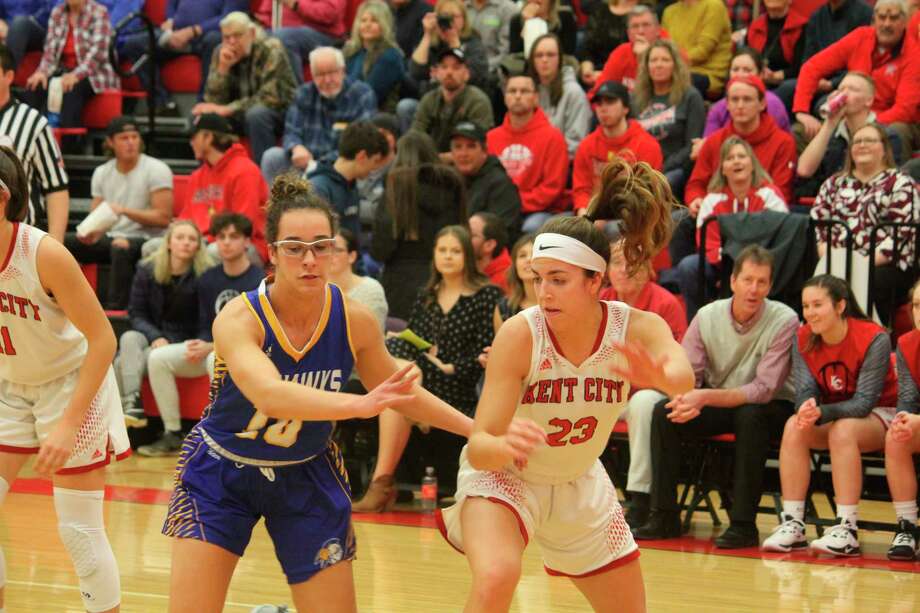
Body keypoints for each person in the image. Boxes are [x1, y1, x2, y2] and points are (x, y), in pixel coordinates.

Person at [162, 173, 474, 612]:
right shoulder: (239, 318)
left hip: (305, 472)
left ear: (337, 250)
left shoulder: (356, 319)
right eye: (294, 247)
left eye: (320, 246)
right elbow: (270, 395)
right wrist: (359, 404)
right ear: (272, 253)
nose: (309, 259)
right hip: (221, 472)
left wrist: (477, 430)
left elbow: (400, 392)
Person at [438, 158, 693, 612]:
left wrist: (658, 378)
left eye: (559, 280)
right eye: (538, 279)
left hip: (578, 480)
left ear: (596, 281)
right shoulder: (520, 334)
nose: (544, 292)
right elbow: (479, 445)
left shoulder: (634, 326)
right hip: (504, 478)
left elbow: (682, 375)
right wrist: (505, 446)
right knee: (498, 575)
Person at [0, 143, 128, 613]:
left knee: (78, 531)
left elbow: (103, 339)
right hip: (10, 385)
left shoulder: (44, 255)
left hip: (73, 383)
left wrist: (70, 423)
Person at [635, 246, 798, 549]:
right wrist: (684, 398)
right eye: (748, 280)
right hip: (720, 401)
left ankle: (743, 524)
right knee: (664, 412)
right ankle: (664, 515)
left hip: (770, 407)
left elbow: (763, 390)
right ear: (733, 281)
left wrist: (703, 396)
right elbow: (689, 375)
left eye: (762, 282)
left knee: (751, 415)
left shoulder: (784, 320)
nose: (754, 289)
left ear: (771, 286)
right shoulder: (707, 316)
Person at [353, 225, 503, 512]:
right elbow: (414, 341)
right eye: (442, 250)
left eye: (455, 251)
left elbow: (484, 353)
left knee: (399, 381)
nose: (447, 256)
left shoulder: (487, 295)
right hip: (421, 374)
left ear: (467, 256)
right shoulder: (426, 295)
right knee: (399, 362)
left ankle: (382, 484)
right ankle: (385, 474)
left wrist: (448, 367)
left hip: (457, 381)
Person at [761, 275, 897, 557]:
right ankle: (793, 524)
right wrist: (806, 408)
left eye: (818, 305)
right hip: (835, 415)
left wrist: (822, 412)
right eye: (806, 306)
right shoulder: (804, 337)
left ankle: (847, 529)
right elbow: (805, 389)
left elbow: (863, 403)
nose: (810, 312)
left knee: (843, 430)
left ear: (840, 306)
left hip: (882, 413)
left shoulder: (874, 337)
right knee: (794, 426)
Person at [602, 238, 687, 527]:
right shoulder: (599, 302)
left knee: (642, 403)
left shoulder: (666, 304)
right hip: (609, 391)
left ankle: (639, 498)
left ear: (648, 268)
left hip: (652, 392)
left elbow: (674, 367)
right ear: (607, 269)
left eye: (633, 263)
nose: (625, 269)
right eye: (617, 263)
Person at [810, 122, 919, 325]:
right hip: (835, 258)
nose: (862, 145)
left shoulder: (901, 183)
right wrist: (832, 257)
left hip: (885, 263)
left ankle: (874, 339)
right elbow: (820, 226)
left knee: (871, 279)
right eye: (857, 141)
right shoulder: (833, 184)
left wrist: (861, 263)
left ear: (885, 150)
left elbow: (903, 233)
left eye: (869, 140)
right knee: (817, 276)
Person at [64, 117, 174, 310]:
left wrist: (124, 211)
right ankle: (64, 303)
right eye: (124, 138)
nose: (131, 142)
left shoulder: (157, 169)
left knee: (120, 247)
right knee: (63, 242)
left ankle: (116, 312)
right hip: (112, 236)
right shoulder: (101, 172)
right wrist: (91, 231)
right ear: (110, 142)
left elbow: (163, 218)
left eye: (134, 137)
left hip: (147, 238)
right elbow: (95, 216)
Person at [115, 220, 213, 434]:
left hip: (184, 339)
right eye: (180, 238)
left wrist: (203, 342)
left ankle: (132, 419)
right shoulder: (147, 269)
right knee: (129, 338)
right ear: (169, 243)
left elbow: (208, 318)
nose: (186, 243)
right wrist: (155, 336)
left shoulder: (205, 275)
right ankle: (133, 403)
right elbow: (136, 312)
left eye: (191, 239)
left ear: (198, 246)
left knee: (121, 362)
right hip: (153, 333)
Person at [678, 136, 788, 321]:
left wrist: (750, 266)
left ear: (752, 164)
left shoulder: (770, 195)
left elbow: (782, 237)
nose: (736, 161)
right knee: (688, 266)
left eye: (741, 156)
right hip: (722, 265)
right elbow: (708, 244)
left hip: (764, 264)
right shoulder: (712, 200)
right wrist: (733, 263)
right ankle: (699, 324)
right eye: (729, 158)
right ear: (722, 169)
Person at [793, 0, 920, 154]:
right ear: (873, 20)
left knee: (896, 131)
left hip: (890, 121)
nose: (887, 24)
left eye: (893, 18)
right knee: (799, 131)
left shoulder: (914, 54)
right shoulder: (860, 37)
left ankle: (891, 178)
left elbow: (904, 110)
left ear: (905, 22)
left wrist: (865, 125)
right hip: (851, 113)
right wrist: (801, 110)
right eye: (882, 17)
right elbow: (811, 68)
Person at [371, 131, 467, 321]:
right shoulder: (454, 185)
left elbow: (381, 249)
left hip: (400, 285)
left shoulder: (395, 188)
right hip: (447, 281)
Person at [260, 46, 377, 184]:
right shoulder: (303, 93)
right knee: (272, 156)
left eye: (332, 72)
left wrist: (319, 165)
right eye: (320, 75)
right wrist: (297, 148)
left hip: (339, 168)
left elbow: (361, 143)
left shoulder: (362, 95)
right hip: (304, 164)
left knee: (322, 181)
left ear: (343, 71)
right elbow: (291, 131)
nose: (327, 80)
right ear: (312, 75)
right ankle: (275, 205)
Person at [194, 12, 297, 164]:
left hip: (278, 112)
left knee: (256, 115)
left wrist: (228, 109)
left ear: (252, 33)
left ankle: (262, 178)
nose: (232, 42)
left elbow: (271, 97)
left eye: (237, 36)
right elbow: (213, 101)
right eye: (227, 37)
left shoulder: (271, 49)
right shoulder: (220, 52)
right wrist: (223, 70)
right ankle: (210, 176)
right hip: (240, 112)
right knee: (204, 118)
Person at [685, 76, 796, 206]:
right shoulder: (714, 141)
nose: (740, 105)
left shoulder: (783, 142)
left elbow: (782, 193)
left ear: (762, 104)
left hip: (765, 215)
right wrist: (696, 199)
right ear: (727, 104)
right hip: (717, 214)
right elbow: (696, 184)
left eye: (747, 99)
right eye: (734, 99)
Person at [22, 0, 119, 141]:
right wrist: (41, 72)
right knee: (35, 85)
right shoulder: (57, 13)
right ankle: (32, 138)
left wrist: (76, 75)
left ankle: (71, 143)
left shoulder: (99, 12)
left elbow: (98, 54)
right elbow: (50, 52)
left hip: (95, 73)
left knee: (70, 88)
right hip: (64, 71)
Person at [118, 0, 240, 112]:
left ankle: (204, 106)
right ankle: (162, 103)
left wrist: (194, 31)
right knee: (134, 44)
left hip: (207, 35)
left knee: (215, 41)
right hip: (175, 33)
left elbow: (230, 18)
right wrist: (171, 20)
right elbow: (172, 4)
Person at [178, 113, 269, 263]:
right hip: (202, 242)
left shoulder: (245, 171)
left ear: (208, 137)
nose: (191, 142)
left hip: (245, 246)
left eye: (194, 137)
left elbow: (243, 226)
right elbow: (185, 220)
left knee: (212, 251)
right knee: (154, 247)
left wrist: (204, 242)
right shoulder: (196, 176)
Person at [0, 43, 67, 242]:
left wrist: (56, 244)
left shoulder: (34, 123)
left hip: (20, 241)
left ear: (9, 77)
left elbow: (56, 188)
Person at [487, 71, 568, 233]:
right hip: (501, 208)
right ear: (504, 97)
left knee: (529, 227)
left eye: (524, 91)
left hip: (542, 211)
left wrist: (513, 203)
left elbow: (552, 188)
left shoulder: (553, 136)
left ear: (536, 98)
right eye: (512, 91)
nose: (517, 96)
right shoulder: (491, 138)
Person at [573, 81, 662, 214]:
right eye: (599, 103)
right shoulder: (586, 145)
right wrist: (584, 213)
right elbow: (581, 189)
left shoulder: (647, 145)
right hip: (593, 212)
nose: (603, 108)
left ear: (626, 108)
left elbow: (647, 194)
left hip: (632, 215)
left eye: (610, 102)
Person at [193, 212, 264, 380]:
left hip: (247, 353)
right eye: (221, 237)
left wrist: (212, 347)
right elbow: (205, 324)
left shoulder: (260, 281)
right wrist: (201, 343)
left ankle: (218, 408)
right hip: (212, 347)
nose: (226, 242)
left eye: (233, 237)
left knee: (214, 359)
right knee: (159, 359)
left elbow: (258, 332)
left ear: (247, 242)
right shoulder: (207, 279)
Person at [632, 38, 705, 197]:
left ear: (675, 66)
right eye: (654, 60)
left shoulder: (690, 96)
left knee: (656, 188)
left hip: (675, 170)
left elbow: (692, 146)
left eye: (665, 60)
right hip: (640, 170)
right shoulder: (636, 99)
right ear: (646, 66)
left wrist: (661, 168)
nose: (658, 64)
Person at [796, 71, 879, 198]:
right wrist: (830, 123)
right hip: (830, 205)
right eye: (841, 89)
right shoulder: (830, 134)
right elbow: (804, 170)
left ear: (869, 100)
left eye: (853, 89)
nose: (844, 94)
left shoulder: (886, 136)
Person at [883, 280, 920, 561]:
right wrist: (905, 420)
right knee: (896, 435)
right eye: (917, 305)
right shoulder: (908, 343)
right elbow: (907, 396)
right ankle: (907, 527)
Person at [306, 120, 391, 237]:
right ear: (362, 156)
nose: (374, 168)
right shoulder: (318, 188)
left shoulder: (351, 184)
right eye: (375, 161)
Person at [409, 48, 494, 155]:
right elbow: (415, 136)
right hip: (432, 161)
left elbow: (480, 145)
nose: (449, 72)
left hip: (467, 162)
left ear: (466, 74)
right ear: (436, 73)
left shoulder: (478, 101)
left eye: (456, 68)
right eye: (444, 67)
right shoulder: (429, 99)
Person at [450, 121, 522, 237]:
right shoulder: (449, 181)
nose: (463, 154)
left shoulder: (500, 184)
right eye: (458, 147)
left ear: (484, 151)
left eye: (471, 146)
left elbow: (501, 235)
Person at [527, 33, 591, 159]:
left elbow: (576, 144)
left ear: (560, 59)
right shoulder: (527, 90)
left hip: (561, 164)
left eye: (550, 55)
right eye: (539, 55)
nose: (544, 60)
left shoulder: (574, 93)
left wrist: (544, 160)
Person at [702, 47, 791, 138]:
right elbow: (709, 144)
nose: (740, 75)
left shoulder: (772, 104)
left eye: (747, 70)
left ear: (760, 75)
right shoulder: (718, 108)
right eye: (735, 69)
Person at [409, 0, 491, 96]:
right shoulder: (433, 42)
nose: (449, 21)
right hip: (433, 98)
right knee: (406, 105)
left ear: (464, 19)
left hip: (465, 98)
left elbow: (474, 77)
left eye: (454, 16)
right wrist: (427, 35)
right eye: (444, 16)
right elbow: (415, 72)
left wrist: (454, 43)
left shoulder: (473, 42)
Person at [260, 0, 347, 85]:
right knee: (258, 38)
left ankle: (296, 93)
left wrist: (296, 4)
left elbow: (330, 13)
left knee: (284, 38)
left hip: (323, 34)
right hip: (282, 33)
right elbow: (265, 14)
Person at [742, 0, 808, 108]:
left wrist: (776, 76)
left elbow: (802, 67)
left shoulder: (802, 26)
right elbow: (744, 57)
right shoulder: (755, 26)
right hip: (756, 79)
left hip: (786, 82)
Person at [343, 0, 406, 112]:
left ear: (384, 24)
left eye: (374, 21)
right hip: (348, 107)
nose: (367, 25)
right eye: (363, 20)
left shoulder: (390, 56)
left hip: (376, 113)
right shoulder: (350, 50)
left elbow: (369, 94)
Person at [661, 0, 732, 96]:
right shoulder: (669, 11)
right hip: (675, 70)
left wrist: (671, 63)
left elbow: (702, 52)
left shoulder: (714, 6)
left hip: (707, 75)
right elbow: (664, 47)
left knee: (669, 81)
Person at [587, 5, 662, 96]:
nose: (641, 31)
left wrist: (644, 58)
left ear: (658, 30)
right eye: (635, 26)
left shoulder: (671, 54)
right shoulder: (620, 53)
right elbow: (597, 92)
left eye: (646, 25)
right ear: (629, 34)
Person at [328, 227, 388, 329]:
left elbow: (371, 335)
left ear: (352, 256)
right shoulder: (313, 288)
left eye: (337, 250)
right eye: (324, 249)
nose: (329, 255)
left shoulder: (370, 290)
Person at [579, 0, 637, 88]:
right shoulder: (600, 9)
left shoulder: (645, 14)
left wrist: (606, 74)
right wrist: (587, 69)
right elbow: (587, 47)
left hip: (627, 77)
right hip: (596, 71)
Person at [508, 0, 577, 56]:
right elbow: (515, 53)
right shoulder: (516, 20)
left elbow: (568, 51)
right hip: (526, 67)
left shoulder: (565, 17)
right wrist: (528, 24)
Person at [466, 0, 517, 75]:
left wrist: (480, 67)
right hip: (462, 70)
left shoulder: (508, 9)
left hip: (494, 72)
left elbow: (507, 52)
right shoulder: (462, 7)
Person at [0, 0, 53, 67]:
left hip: (39, 31)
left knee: (19, 24)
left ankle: (7, 71)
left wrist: (12, 30)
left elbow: (57, 7)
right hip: (8, 30)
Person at [470, 211, 511, 291]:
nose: (463, 238)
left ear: (489, 245)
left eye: (471, 235)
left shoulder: (506, 279)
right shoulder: (459, 266)